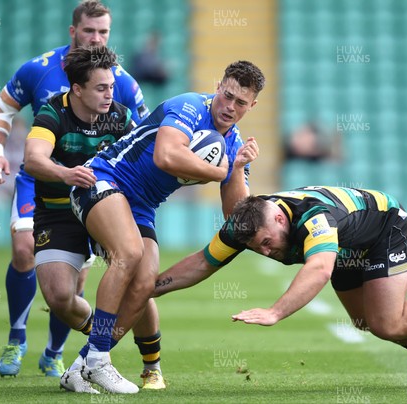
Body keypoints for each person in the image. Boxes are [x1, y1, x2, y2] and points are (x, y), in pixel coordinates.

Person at [153, 186, 407, 387]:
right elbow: (202, 262)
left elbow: (320, 268)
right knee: (366, 323)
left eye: (265, 242)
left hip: (385, 228)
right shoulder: (244, 226)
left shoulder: (314, 218)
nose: (264, 251)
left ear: (280, 218)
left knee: (387, 323)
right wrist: (152, 287)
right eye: (255, 248)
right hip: (347, 247)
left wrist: (275, 312)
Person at [66, 60, 265, 394]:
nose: (230, 106)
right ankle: (100, 361)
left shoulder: (234, 144)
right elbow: (165, 156)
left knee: (145, 283)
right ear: (219, 85)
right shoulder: (188, 106)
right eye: (227, 95)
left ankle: (81, 365)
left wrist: (237, 168)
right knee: (128, 253)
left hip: (141, 206)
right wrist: (219, 171)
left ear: (252, 106)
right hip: (102, 178)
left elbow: (235, 216)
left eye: (241, 103)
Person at [0, 0, 150, 380]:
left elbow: (143, 143)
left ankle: (57, 353)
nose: (95, 38)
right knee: (25, 249)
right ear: (72, 31)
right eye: (89, 31)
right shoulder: (39, 70)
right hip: (43, 183)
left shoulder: (122, 82)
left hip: (93, 195)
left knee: (75, 285)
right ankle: (17, 338)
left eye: (103, 32)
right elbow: (1, 110)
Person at [23, 45, 137, 393]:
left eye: (112, 87)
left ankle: (150, 366)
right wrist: (66, 173)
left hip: (104, 210)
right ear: (77, 90)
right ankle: (97, 339)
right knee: (59, 298)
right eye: (101, 88)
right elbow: (32, 159)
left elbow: (142, 161)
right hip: (57, 212)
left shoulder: (119, 117)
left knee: (139, 276)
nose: (109, 94)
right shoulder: (52, 113)